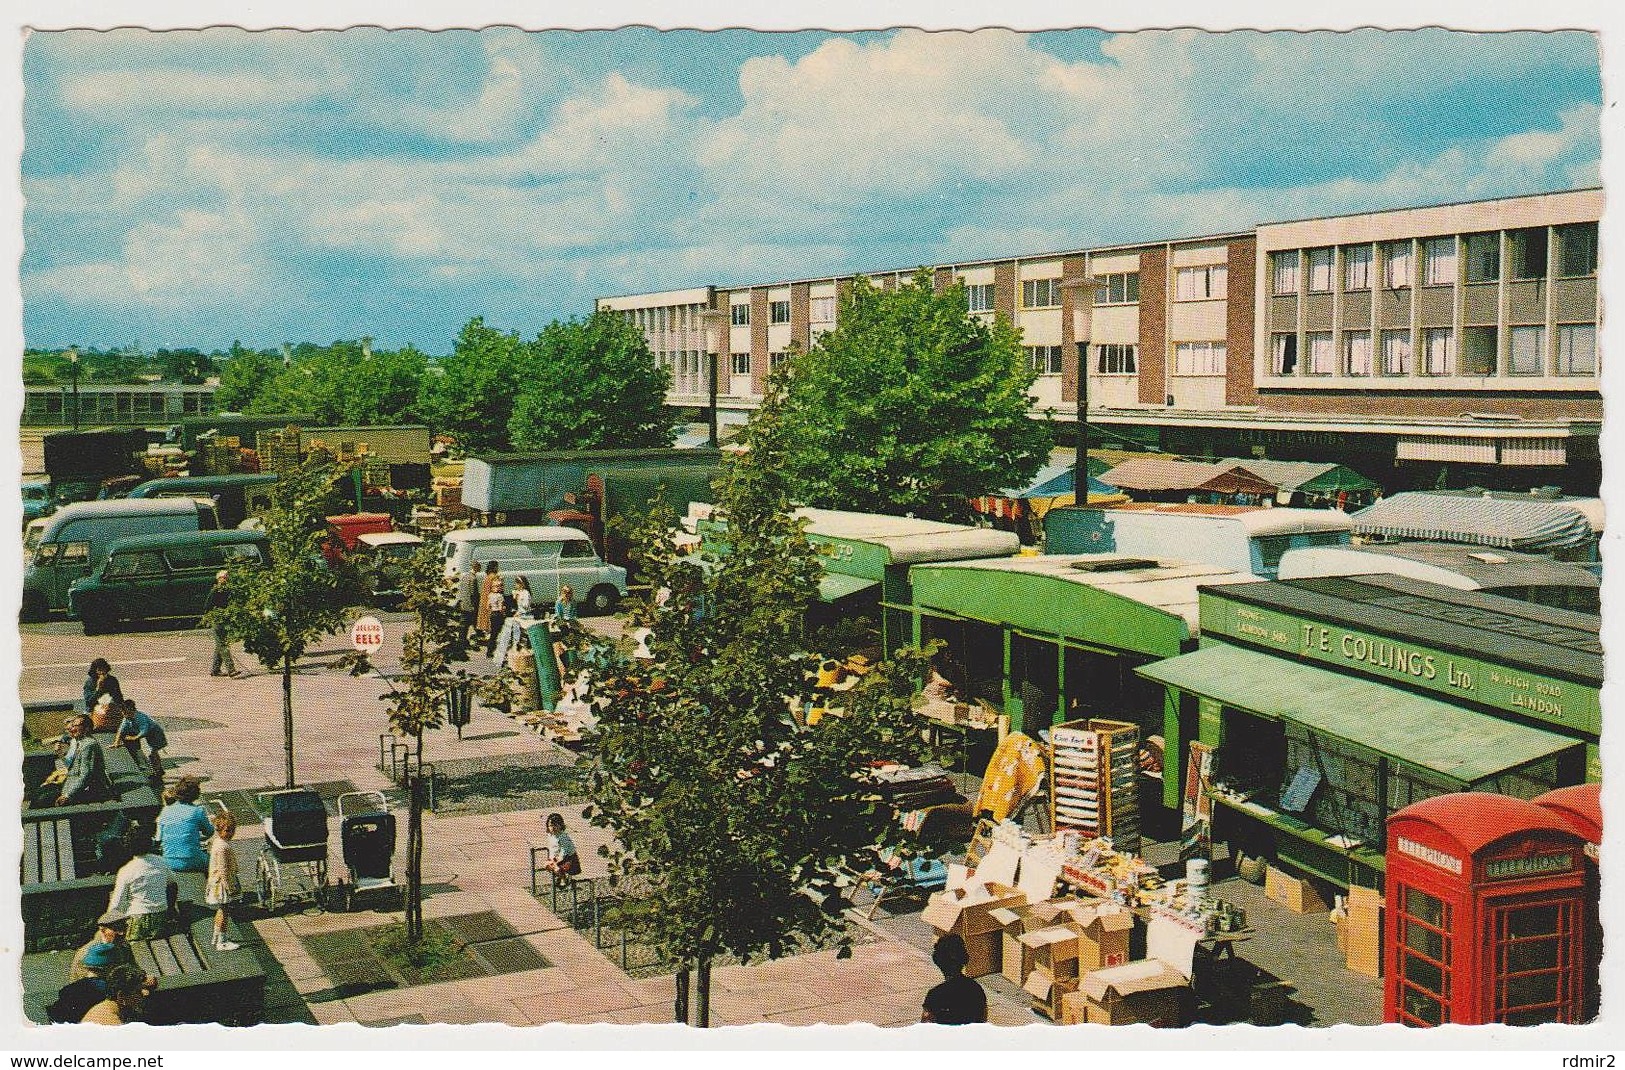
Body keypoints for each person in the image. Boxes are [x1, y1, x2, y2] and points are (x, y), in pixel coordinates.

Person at [107, 827, 178, 940]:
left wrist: (107, 925)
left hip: (137, 921)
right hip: (160, 918)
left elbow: (116, 904)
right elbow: (173, 884)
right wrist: (170, 907)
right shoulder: (161, 861)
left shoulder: (126, 870)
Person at [920, 933, 988, 1025]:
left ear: (939, 963)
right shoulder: (976, 989)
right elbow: (982, 1019)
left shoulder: (935, 996)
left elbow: (926, 1027)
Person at [155, 776, 213, 872]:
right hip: (192, 860)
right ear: (195, 794)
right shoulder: (198, 811)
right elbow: (209, 832)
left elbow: (159, 838)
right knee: (216, 861)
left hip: (169, 861)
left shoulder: (165, 811)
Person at [56, 715, 115, 807]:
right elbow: (72, 767)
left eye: (75, 726)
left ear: (86, 728)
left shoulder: (89, 745)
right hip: (75, 785)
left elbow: (86, 776)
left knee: (44, 799)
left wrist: (67, 795)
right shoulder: (80, 742)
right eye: (73, 726)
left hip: (91, 791)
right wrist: (60, 753)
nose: (72, 728)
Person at [204, 811, 243, 952]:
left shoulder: (218, 842)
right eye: (227, 830)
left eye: (232, 830)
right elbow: (223, 869)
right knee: (224, 911)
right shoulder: (223, 847)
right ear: (219, 829)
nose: (230, 833)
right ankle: (222, 941)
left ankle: (217, 935)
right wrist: (230, 887)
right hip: (222, 884)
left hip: (216, 882)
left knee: (221, 911)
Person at [68, 912, 138, 983]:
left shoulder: (124, 945)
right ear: (103, 930)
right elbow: (89, 984)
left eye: (124, 927)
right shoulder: (88, 954)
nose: (123, 933)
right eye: (117, 929)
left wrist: (142, 978)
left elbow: (134, 967)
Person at [80, 963, 151, 1025]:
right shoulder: (110, 1020)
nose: (145, 993)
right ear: (121, 996)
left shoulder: (105, 1007)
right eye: (138, 991)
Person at [114, 699, 167, 781]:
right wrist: (116, 742)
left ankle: (157, 773)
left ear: (130, 709)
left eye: (124, 712)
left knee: (152, 754)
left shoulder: (139, 717)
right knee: (153, 754)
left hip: (156, 733)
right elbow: (121, 729)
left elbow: (144, 731)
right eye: (122, 712)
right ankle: (159, 770)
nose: (123, 714)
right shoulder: (127, 718)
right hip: (150, 735)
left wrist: (133, 738)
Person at [205, 570, 240, 677]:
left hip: (225, 620)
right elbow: (207, 607)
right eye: (222, 578)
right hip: (217, 621)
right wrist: (214, 616)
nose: (224, 580)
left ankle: (215, 670)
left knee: (220, 645)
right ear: (218, 579)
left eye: (226, 578)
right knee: (223, 645)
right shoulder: (214, 591)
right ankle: (231, 669)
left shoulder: (228, 591)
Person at [539, 812, 581, 880]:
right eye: (551, 825)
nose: (553, 827)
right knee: (546, 865)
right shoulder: (551, 836)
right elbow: (552, 849)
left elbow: (564, 851)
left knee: (557, 868)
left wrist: (557, 860)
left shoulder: (563, 836)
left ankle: (563, 879)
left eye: (555, 825)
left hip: (569, 859)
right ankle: (561, 876)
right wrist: (552, 859)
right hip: (557, 859)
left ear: (561, 825)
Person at [456, 559, 482, 648]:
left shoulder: (465, 576)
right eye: (479, 567)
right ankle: (463, 641)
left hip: (463, 602)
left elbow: (461, 590)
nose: (480, 568)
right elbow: (473, 593)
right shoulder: (473, 578)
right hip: (470, 604)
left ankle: (461, 639)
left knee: (463, 623)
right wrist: (476, 604)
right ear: (476, 567)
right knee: (468, 623)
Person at [475, 561, 501, 639]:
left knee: (485, 616)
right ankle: (490, 636)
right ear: (494, 567)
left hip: (484, 599)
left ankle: (486, 633)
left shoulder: (487, 576)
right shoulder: (494, 576)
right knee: (491, 617)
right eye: (497, 566)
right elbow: (496, 589)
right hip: (491, 599)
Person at [485, 577, 508, 658]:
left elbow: (487, 607)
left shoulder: (490, 595)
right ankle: (499, 651)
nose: (500, 587)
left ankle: (489, 651)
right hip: (498, 615)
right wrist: (504, 612)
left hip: (492, 615)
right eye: (499, 586)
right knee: (500, 633)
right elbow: (501, 608)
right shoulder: (500, 596)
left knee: (493, 634)